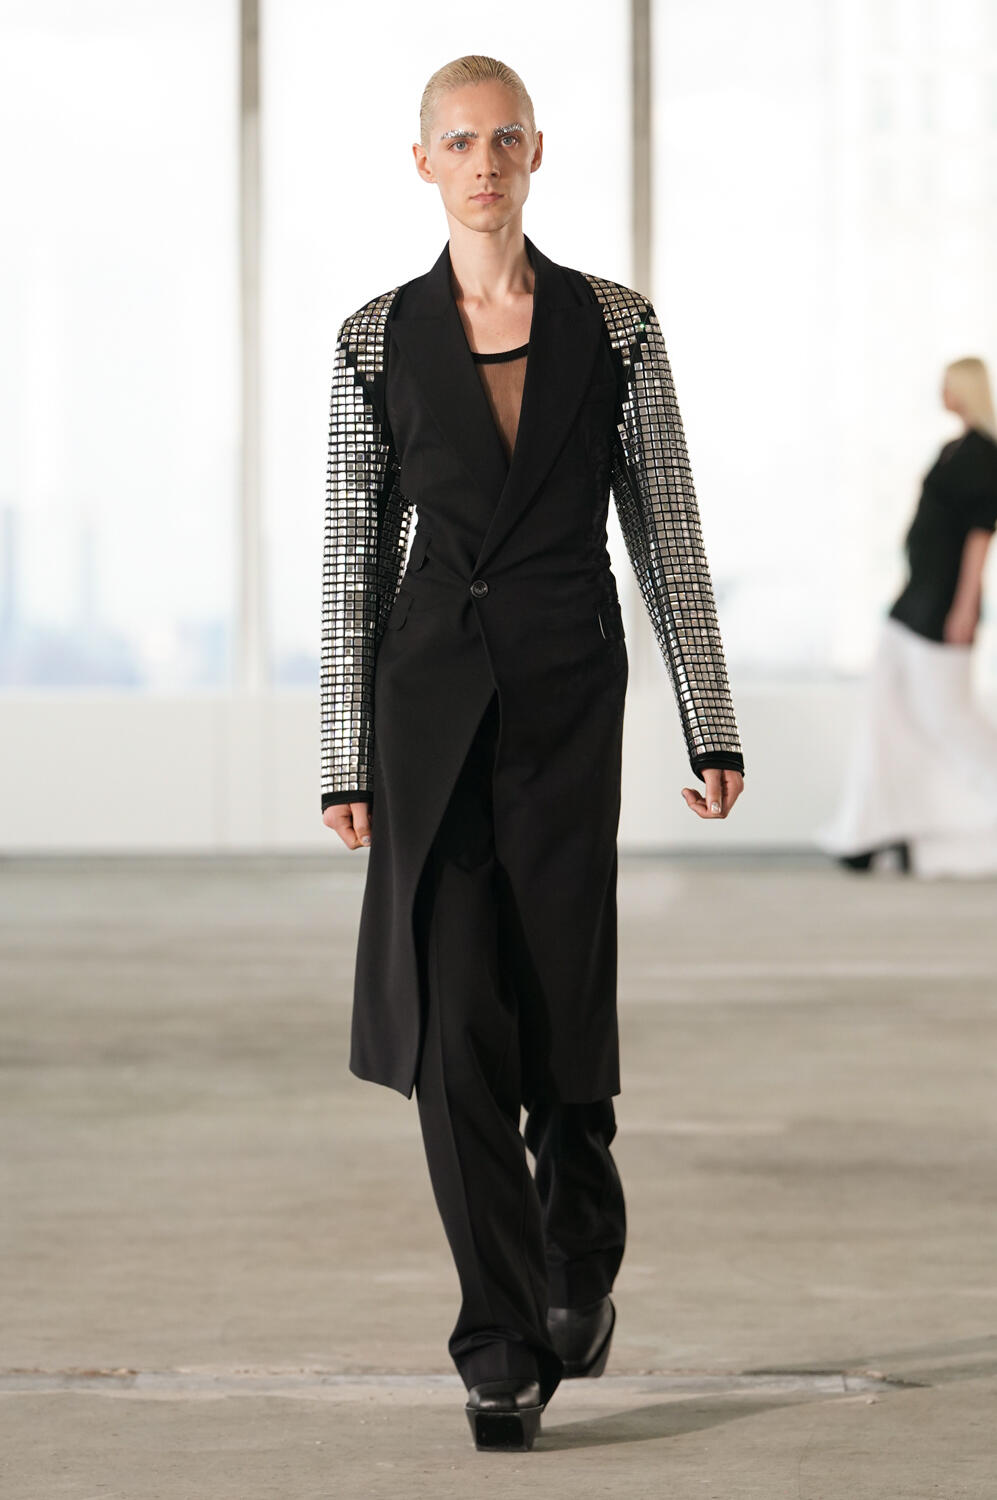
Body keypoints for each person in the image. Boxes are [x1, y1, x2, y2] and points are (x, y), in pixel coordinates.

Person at [320, 54, 745, 1452]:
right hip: (429, 708)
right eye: (459, 141)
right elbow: (350, 555)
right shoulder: (374, 338)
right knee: (454, 1031)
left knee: (560, 1009)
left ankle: (578, 1259)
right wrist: (342, 754)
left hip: (567, 702)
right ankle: (499, 1347)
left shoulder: (614, 327)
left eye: (504, 138)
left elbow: (666, 529)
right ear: (423, 163)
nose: (484, 163)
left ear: (537, 153)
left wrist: (709, 716)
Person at [818, 357, 997, 878]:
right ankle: (866, 833)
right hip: (911, 600)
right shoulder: (952, 448)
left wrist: (965, 607)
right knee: (885, 713)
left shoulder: (985, 455)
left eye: (949, 385)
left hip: (940, 607)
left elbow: (979, 538)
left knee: (948, 719)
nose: (942, 392)